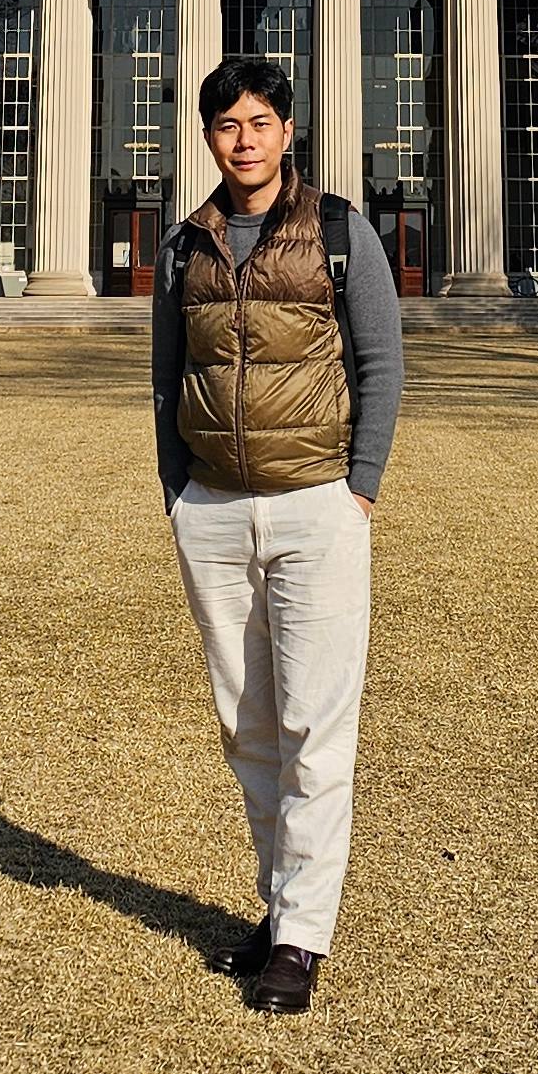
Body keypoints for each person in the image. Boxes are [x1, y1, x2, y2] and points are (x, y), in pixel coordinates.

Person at [154, 52, 405, 1018]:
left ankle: (301, 936)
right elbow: (165, 377)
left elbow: (381, 362)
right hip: (213, 509)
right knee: (248, 726)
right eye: (227, 125)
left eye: (260, 121)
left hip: (317, 508)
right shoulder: (188, 245)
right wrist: (179, 491)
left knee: (314, 724)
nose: (244, 138)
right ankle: (279, 904)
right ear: (211, 137)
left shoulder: (340, 232)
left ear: (286, 131)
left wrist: (360, 491)